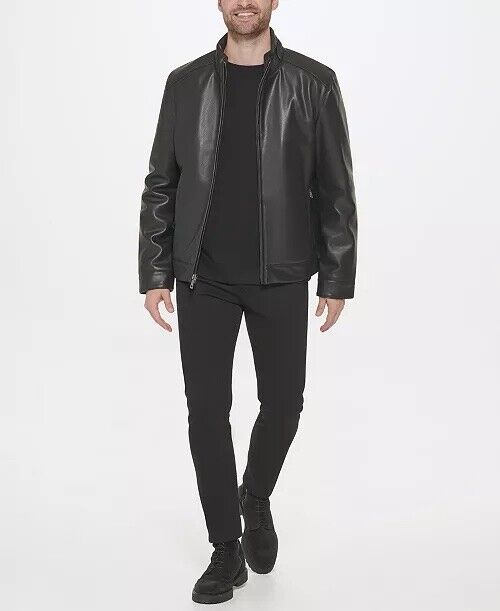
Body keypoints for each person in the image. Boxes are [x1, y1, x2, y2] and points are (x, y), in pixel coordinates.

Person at [138, 0, 357, 604]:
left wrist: (336, 275)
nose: (244, 2)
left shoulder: (313, 83)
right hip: (202, 277)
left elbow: (337, 187)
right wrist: (156, 271)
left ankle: (254, 497)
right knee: (206, 413)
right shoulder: (185, 84)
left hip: (280, 273)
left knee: (284, 405)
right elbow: (162, 181)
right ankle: (225, 549)